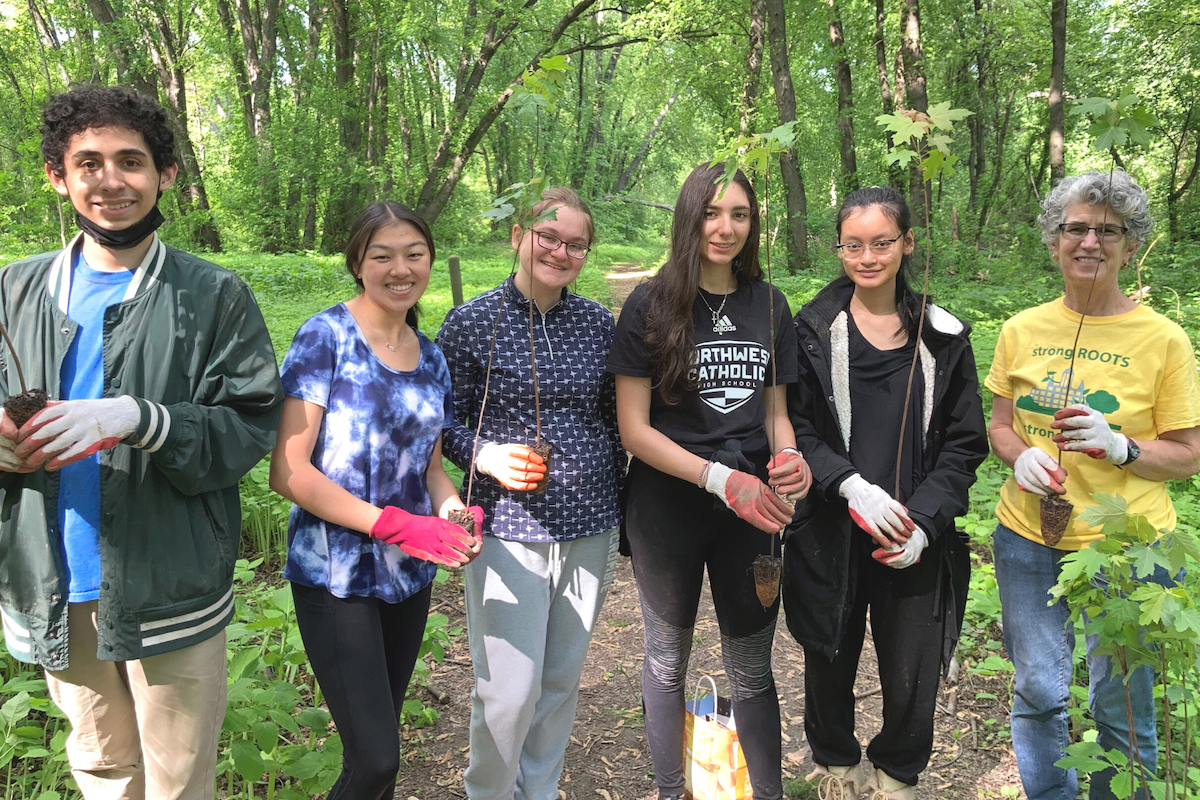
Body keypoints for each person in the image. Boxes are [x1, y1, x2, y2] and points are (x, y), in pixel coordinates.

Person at [0, 86, 284, 799]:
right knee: (102, 771)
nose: (111, 180)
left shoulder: (213, 295)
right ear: (58, 178)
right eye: (88, 163)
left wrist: (139, 417)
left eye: (131, 160)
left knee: (179, 780)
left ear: (167, 175)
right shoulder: (14, 290)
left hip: (170, 583)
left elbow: (251, 425)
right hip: (56, 577)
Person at [985, 170, 1200, 800]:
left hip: (1128, 547)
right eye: (1075, 228)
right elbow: (1000, 425)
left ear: (1130, 246)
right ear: (1053, 240)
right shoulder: (1022, 329)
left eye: (1107, 231)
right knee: (1038, 691)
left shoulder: (1163, 339)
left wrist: (1123, 447)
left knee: (1122, 702)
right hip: (1028, 539)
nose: (1089, 242)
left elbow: (1188, 455)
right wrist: (1019, 457)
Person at [606, 163, 809, 800]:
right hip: (669, 505)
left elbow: (776, 415)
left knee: (752, 666)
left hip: (751, 510)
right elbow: (635, 431)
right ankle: (672, 791)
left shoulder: (769, 304)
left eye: (740, 215)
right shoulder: (650, 302)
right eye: (711, 213)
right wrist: (721, 479)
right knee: (667, 661)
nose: (725, 229)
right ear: (688, 217)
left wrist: (790, 462)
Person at [780, 186, 988, 800]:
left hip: (912, 538)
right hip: (833, 530)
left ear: (907, 244)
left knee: (912, 672)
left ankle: (896, 774)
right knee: (829, 655)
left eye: (882, 243)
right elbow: (797, 428)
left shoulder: (943, 336)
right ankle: (837, 767)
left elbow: (964, 442)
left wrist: (924, 521)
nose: (867, 257)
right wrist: (848, 485)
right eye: (854, 244)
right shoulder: (813, 328)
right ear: (838, 247)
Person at [270, 201, 483, 800]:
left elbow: (433, 468)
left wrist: (452, 516)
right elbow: (288, 473)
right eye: (382, 255)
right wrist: (393, 525)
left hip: (407, 576)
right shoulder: (325, 336)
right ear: (357, 264)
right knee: (377, 760)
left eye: (414, 254)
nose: (400, 268)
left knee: (376, 749)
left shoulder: (432, 356)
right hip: (335, 573)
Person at [437, 187, 623, 800]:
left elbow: (614, 418)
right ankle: (488, 793)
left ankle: (537, 791)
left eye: (575, 244)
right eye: (549, 237)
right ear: (519, 234)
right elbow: (440, 422)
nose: (560, 252)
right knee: (508, 688)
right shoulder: (471, 323)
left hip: (588, 522)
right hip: (507, 528)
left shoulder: (598, 324)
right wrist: (485, 455)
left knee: (560, 679)